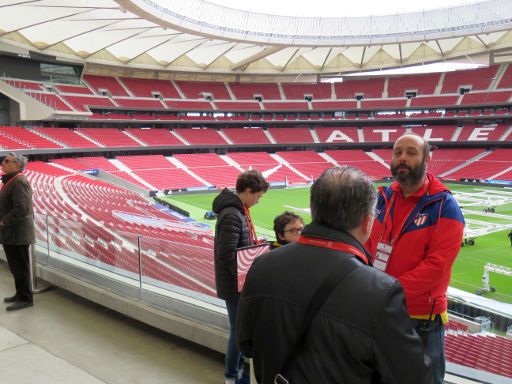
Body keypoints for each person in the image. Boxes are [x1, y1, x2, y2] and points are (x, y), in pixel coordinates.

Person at [237, 166, 432, 384]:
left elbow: (246, 343)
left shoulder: (262, 265)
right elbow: (414, 377)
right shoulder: (380, 292)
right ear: (367, 222)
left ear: (314, 209)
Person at [365, 134, 464, 384]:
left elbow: (437, 267)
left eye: (411, 152)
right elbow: (365, 245)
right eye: (398, 152)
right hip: (378, 309)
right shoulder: (382, 198)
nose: (402, 158)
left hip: (420, 318)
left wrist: (387, 295)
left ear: (426, 159)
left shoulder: (444, 205)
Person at [212, 169, 269, 384]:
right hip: (235, 286)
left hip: (238, 283)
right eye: (258, 195)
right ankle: (230, 377)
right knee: (238, 333)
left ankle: (236, 372)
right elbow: (226, 255)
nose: (258, 201)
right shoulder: (231, 215)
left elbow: (236, 247)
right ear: (247, 191)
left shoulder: (238, 211)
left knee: (240, 331)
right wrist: (245, 275)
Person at [0, 152, 35, 312]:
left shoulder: (19, 182)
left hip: (18, 233)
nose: (3, 163)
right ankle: (20, 294)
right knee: (15, 267)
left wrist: (4, 221)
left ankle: (26, 298)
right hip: (11, 233)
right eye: (4, 160)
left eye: (7, 161)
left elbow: (22, 208)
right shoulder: (11, 181)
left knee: (20, 267)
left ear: (17, 165)